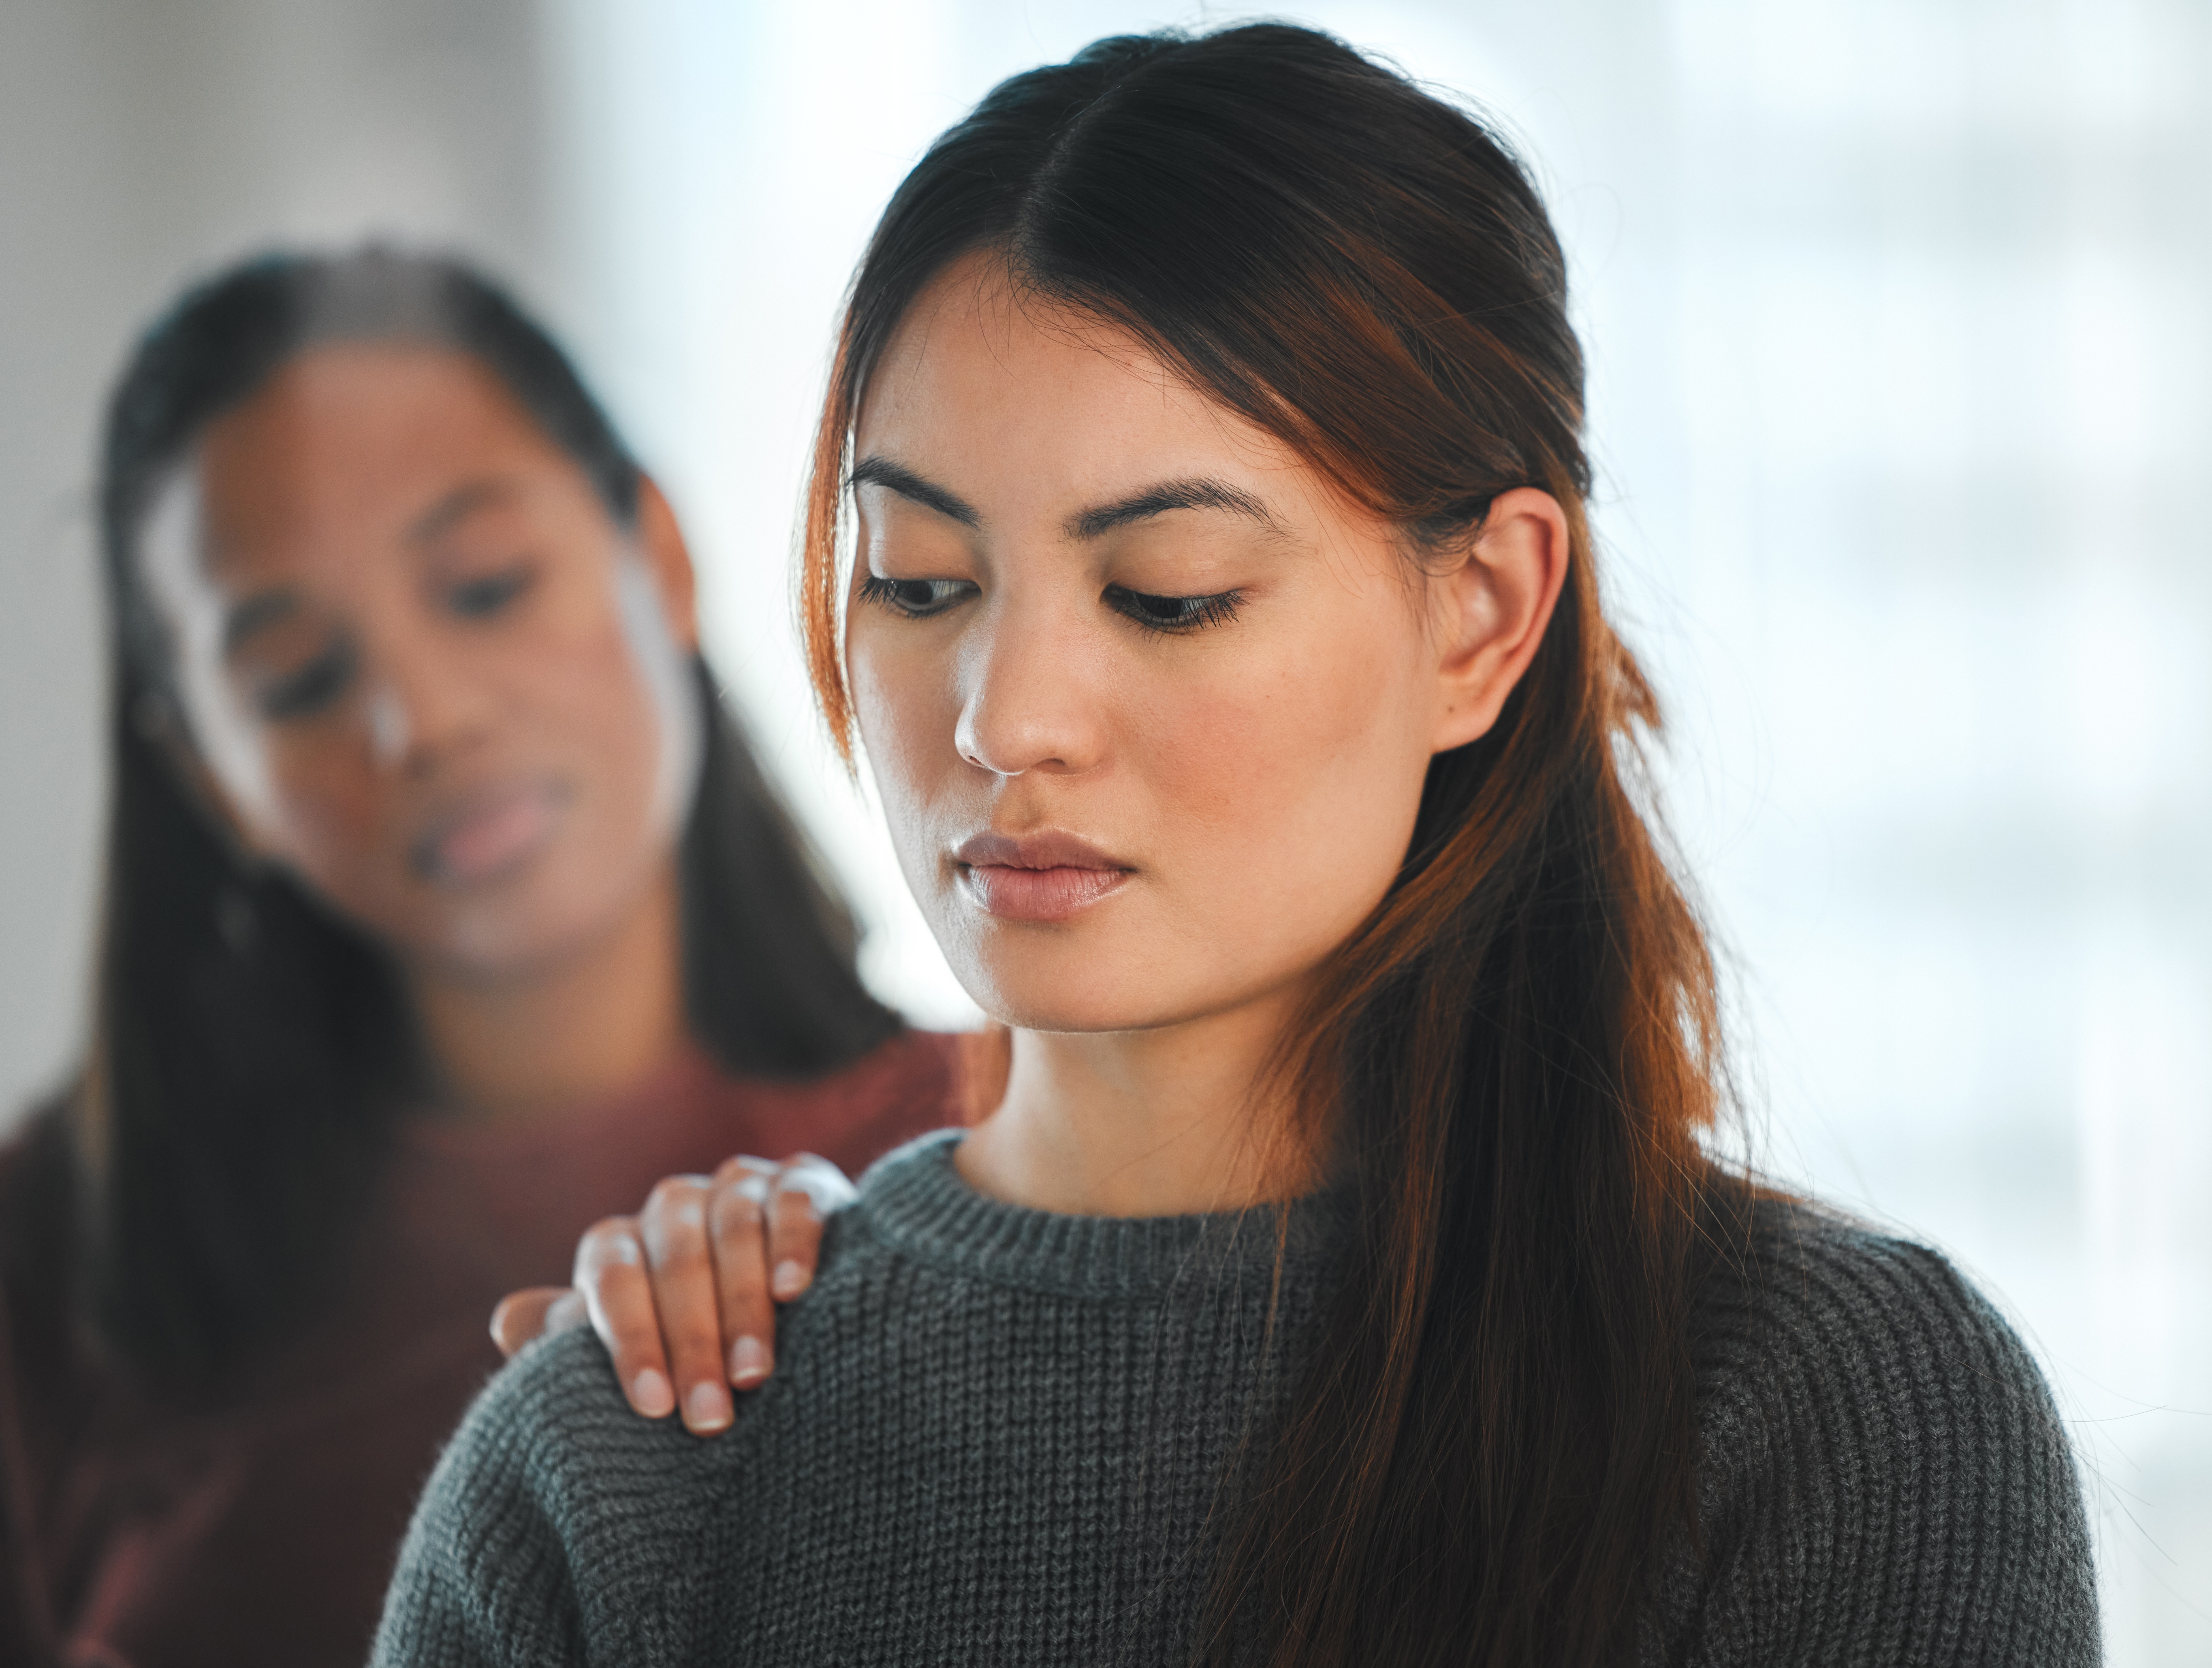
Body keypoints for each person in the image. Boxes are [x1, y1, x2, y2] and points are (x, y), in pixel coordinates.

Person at [377, 26, 2100, 1667]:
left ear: (1481, 617)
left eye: (1166, 595)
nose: (1004, 718)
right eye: (918, 579)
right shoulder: (627, 1448)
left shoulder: (1822, 1416)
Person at [0, 248, 974, 1668]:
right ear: (207, 772)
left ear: (661, 557)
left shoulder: (1004, 1142)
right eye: (302, 680)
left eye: (487, 585)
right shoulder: (32, 1273)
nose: (423, 718)